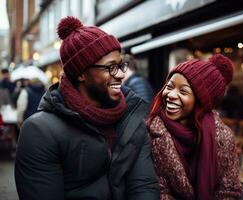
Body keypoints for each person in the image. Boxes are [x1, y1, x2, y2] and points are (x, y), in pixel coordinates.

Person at [15, 16, 159, 200]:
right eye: (110, 67)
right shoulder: (39, 131)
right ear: (81, 73)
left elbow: (144, 185)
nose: (121, 74)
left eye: (121, 65)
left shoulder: (130, 115)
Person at [147, 54, 243, 199]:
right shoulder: (151, 131)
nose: (171, 95)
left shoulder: (223, 137)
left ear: (201, 101)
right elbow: (156, 189)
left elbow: (230, 192)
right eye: (169, 86)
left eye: (183, 91)